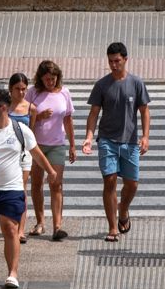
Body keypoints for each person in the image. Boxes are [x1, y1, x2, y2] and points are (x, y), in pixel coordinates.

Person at [0, 86, 58, 289]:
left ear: (3, 107)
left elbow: (36, 152)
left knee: (10, 229)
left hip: (11, 189)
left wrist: (50, 171)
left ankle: (12, 273)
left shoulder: (20, 130)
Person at [81, 41, 151, 242]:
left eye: (117, 61)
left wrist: (145, 137)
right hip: (107, 140)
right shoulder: (102, 85)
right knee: (109, 180)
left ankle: (124, 210)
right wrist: (88, 137)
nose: (113, 65)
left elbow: (145, 112)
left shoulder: (136, 83)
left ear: (125, 60)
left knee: (132, 184)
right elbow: (93, 113)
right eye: (110, 61)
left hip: (129, 141)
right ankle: (112, 228)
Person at [26, 60, 74, 241]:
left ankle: (57, 226)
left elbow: (68, 119)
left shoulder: (64, 93)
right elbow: (23, 116)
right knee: (37, 183)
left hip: (57, 144)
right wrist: (38, 117)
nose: (50, 82)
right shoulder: (33, 93)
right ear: (40, 78)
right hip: (36, 145)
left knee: (56, 183)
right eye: (47, 79)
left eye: (53, 79)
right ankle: (40, 222)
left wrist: (72, 145)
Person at [6, 73, 35, 243]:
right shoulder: (4, 107)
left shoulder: (31, 108)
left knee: (22, 190)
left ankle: (21, 230)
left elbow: (32, 132)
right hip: (7, 153)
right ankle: (9, 224)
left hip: (24, 154)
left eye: (24, 89)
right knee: (7, 189)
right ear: (10, 89)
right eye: (17, 89)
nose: (21, 92)